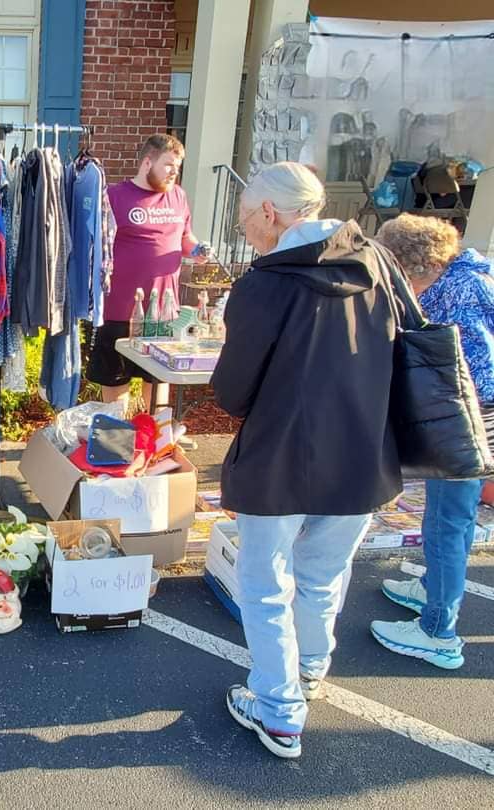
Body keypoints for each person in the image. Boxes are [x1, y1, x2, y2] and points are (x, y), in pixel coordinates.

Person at [211, 162, 401, 759]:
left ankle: (278, 710)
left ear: (270, 212)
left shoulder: (266, 283)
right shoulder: (377, 262)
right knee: (322, 575)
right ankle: (309, 673)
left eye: (245, 223)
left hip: (280, 455)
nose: (247, 234)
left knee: (266, 585)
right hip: (363, 451)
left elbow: (232, 392)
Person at [371, 214, 494, 670]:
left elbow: (474, 371)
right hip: (474, 417)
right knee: (452, 519)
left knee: (448, 522)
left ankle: (438, 630)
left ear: (410, 264)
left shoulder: (454, 294)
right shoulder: (473, 278)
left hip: (469, 419)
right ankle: (431, 592)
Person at [86, 134, 208, 413]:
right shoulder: (115, 196)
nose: (174, 172)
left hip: (164, 312)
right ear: (147, 162)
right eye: (168, 165)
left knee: (158, 380)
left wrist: (197, 250)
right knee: (116, 379)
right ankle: (118, 438)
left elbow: (186, 238)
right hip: (119, 309)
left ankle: (159, 437)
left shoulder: (178, 197)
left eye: (177, 167)